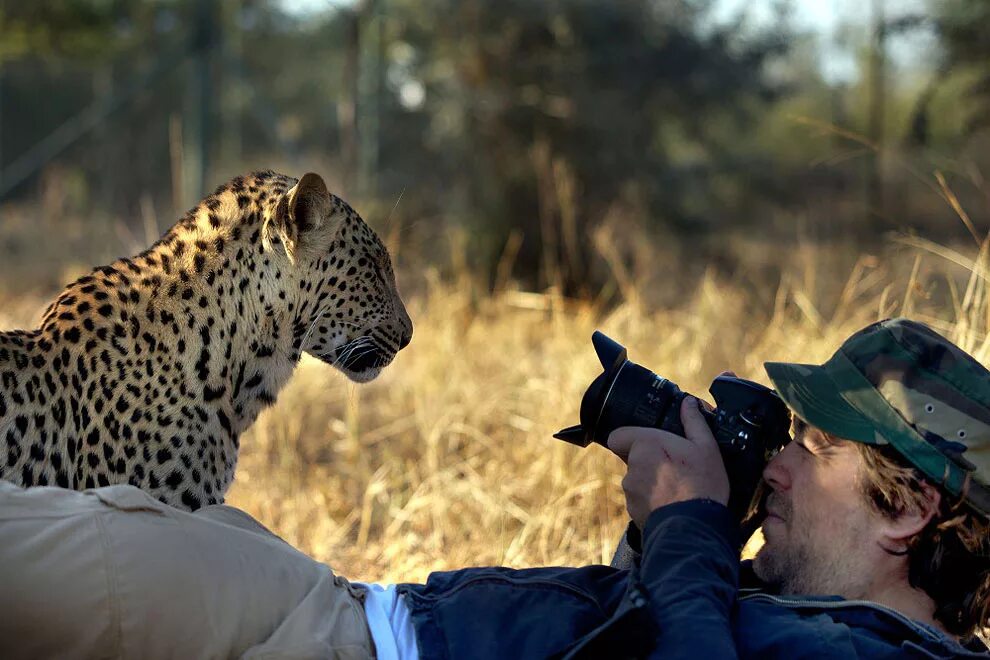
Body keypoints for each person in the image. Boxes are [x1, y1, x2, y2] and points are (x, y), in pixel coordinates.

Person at [2, 317, 989, 658]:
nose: (779, 461)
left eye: (815, 448)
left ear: (906, 510)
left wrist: (690, 530)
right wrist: (677, 540)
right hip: (327, 612)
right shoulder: (818, 617)